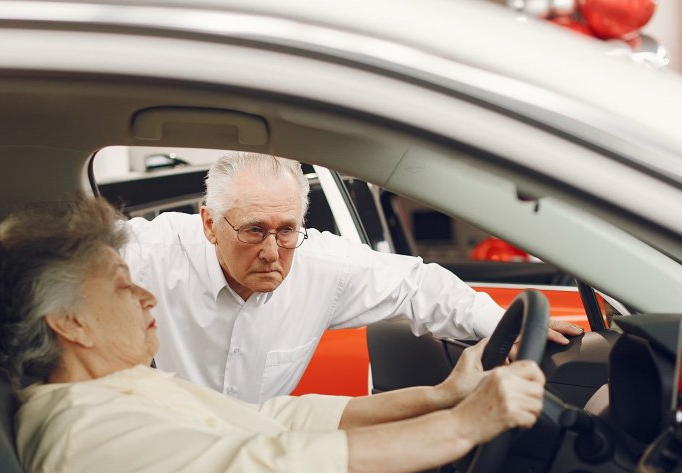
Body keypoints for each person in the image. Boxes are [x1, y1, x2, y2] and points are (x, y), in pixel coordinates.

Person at [0, 196, 566, 473]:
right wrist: (464, 426)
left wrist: (443, 398)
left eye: (287, 229)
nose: (146, 294)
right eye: (123, 286)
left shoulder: (120, 391)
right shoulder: (82, 434)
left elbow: (275, 422)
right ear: (68, 321)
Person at [123, 151, 582, 402]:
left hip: (259, 457)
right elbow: (65, 256)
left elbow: (418, 285)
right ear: (208, 224)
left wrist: (507, 327)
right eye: (253, 231)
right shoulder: (152, 253)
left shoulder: (323, 265)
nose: (271, 253)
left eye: (286, 231)